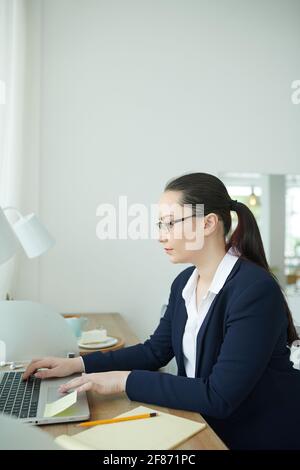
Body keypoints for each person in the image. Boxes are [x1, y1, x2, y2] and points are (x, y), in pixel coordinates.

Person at [23, 173, 300, 449]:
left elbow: (219, 395)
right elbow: (155, 351)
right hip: (202, 422)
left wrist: (123, 381)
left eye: (169, 224)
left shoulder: (253, 290)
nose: (160, 236)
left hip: (255, 435)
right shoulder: (184, 283)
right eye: (160, 224)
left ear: (208, 223)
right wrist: (78, 364)